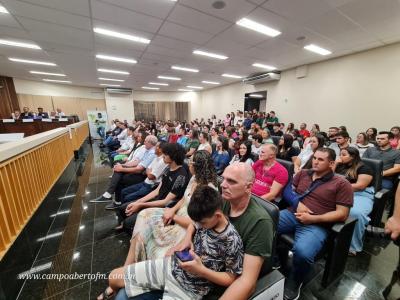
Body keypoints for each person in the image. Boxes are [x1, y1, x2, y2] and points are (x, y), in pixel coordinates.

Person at [107, 186, 244, 300]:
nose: (198, 225)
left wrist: (201, 270)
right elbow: (194, 224)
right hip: (171, 266)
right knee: (114, 277)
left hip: (191, 289)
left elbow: (230, 278)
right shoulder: (204, 218)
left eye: (202, 223)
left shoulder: (232, 240)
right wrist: (187, 239)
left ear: (218, 216)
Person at [278, 148, 353, 300]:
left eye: (321, 159)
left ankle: (295, 280)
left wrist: (313, 219)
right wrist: (297, 202)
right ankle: (276, 259)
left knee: (303, 253)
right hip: (292, 214)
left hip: (316, 223)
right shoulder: (304, 173)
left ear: (332, 163)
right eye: (315, 158)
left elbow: (342, 214)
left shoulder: (342, 184)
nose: (315, 162)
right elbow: (287, 191)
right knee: (265, 225)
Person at [117, 143, 190, 232]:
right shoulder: (168, 168)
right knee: (123, 208)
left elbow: (165, 202)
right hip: (157, 199)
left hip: (163, 206)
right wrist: (139, 201)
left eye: (166, 154)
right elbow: (157, 191)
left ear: (173, 157)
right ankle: (125, 225)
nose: (163, 155)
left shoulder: (180, 177)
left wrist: (140, 205)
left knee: (128, 222)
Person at [90, 135, 158, 204]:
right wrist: (122, 165)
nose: (144, 142)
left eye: (146, 141)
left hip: (141, 175)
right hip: (136, 170)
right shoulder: (147, 150)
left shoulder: (152, 153)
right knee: (118, 170)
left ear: (150, 143)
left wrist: (122, 169)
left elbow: (139, 169)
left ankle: (113, 197)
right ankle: (112, 197)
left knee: (119, 177)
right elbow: (136, 162)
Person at [106, 141, 168, 211]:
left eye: (156, 146)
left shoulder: (162, 161)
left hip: (149, 185)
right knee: (123, 191)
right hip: (145, 181)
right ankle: (118, 204)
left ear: (160, 149)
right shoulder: (156, 156)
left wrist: (148, 170)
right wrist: (148, 170)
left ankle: (122, 208)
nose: (154, 148)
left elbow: (150, 175)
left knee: (127, 196)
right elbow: (147, 169)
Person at [335, 147, 374, 255]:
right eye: (340, 154)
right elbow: (329, 177)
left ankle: (353, 247)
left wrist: (338, 187)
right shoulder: (340, 165)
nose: (340, 157)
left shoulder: (364, 168)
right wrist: (334, 164)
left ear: (352, 156)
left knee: (355, 213)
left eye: (343, 155)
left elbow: (360, 186)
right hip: (341, 191)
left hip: (361, 194)